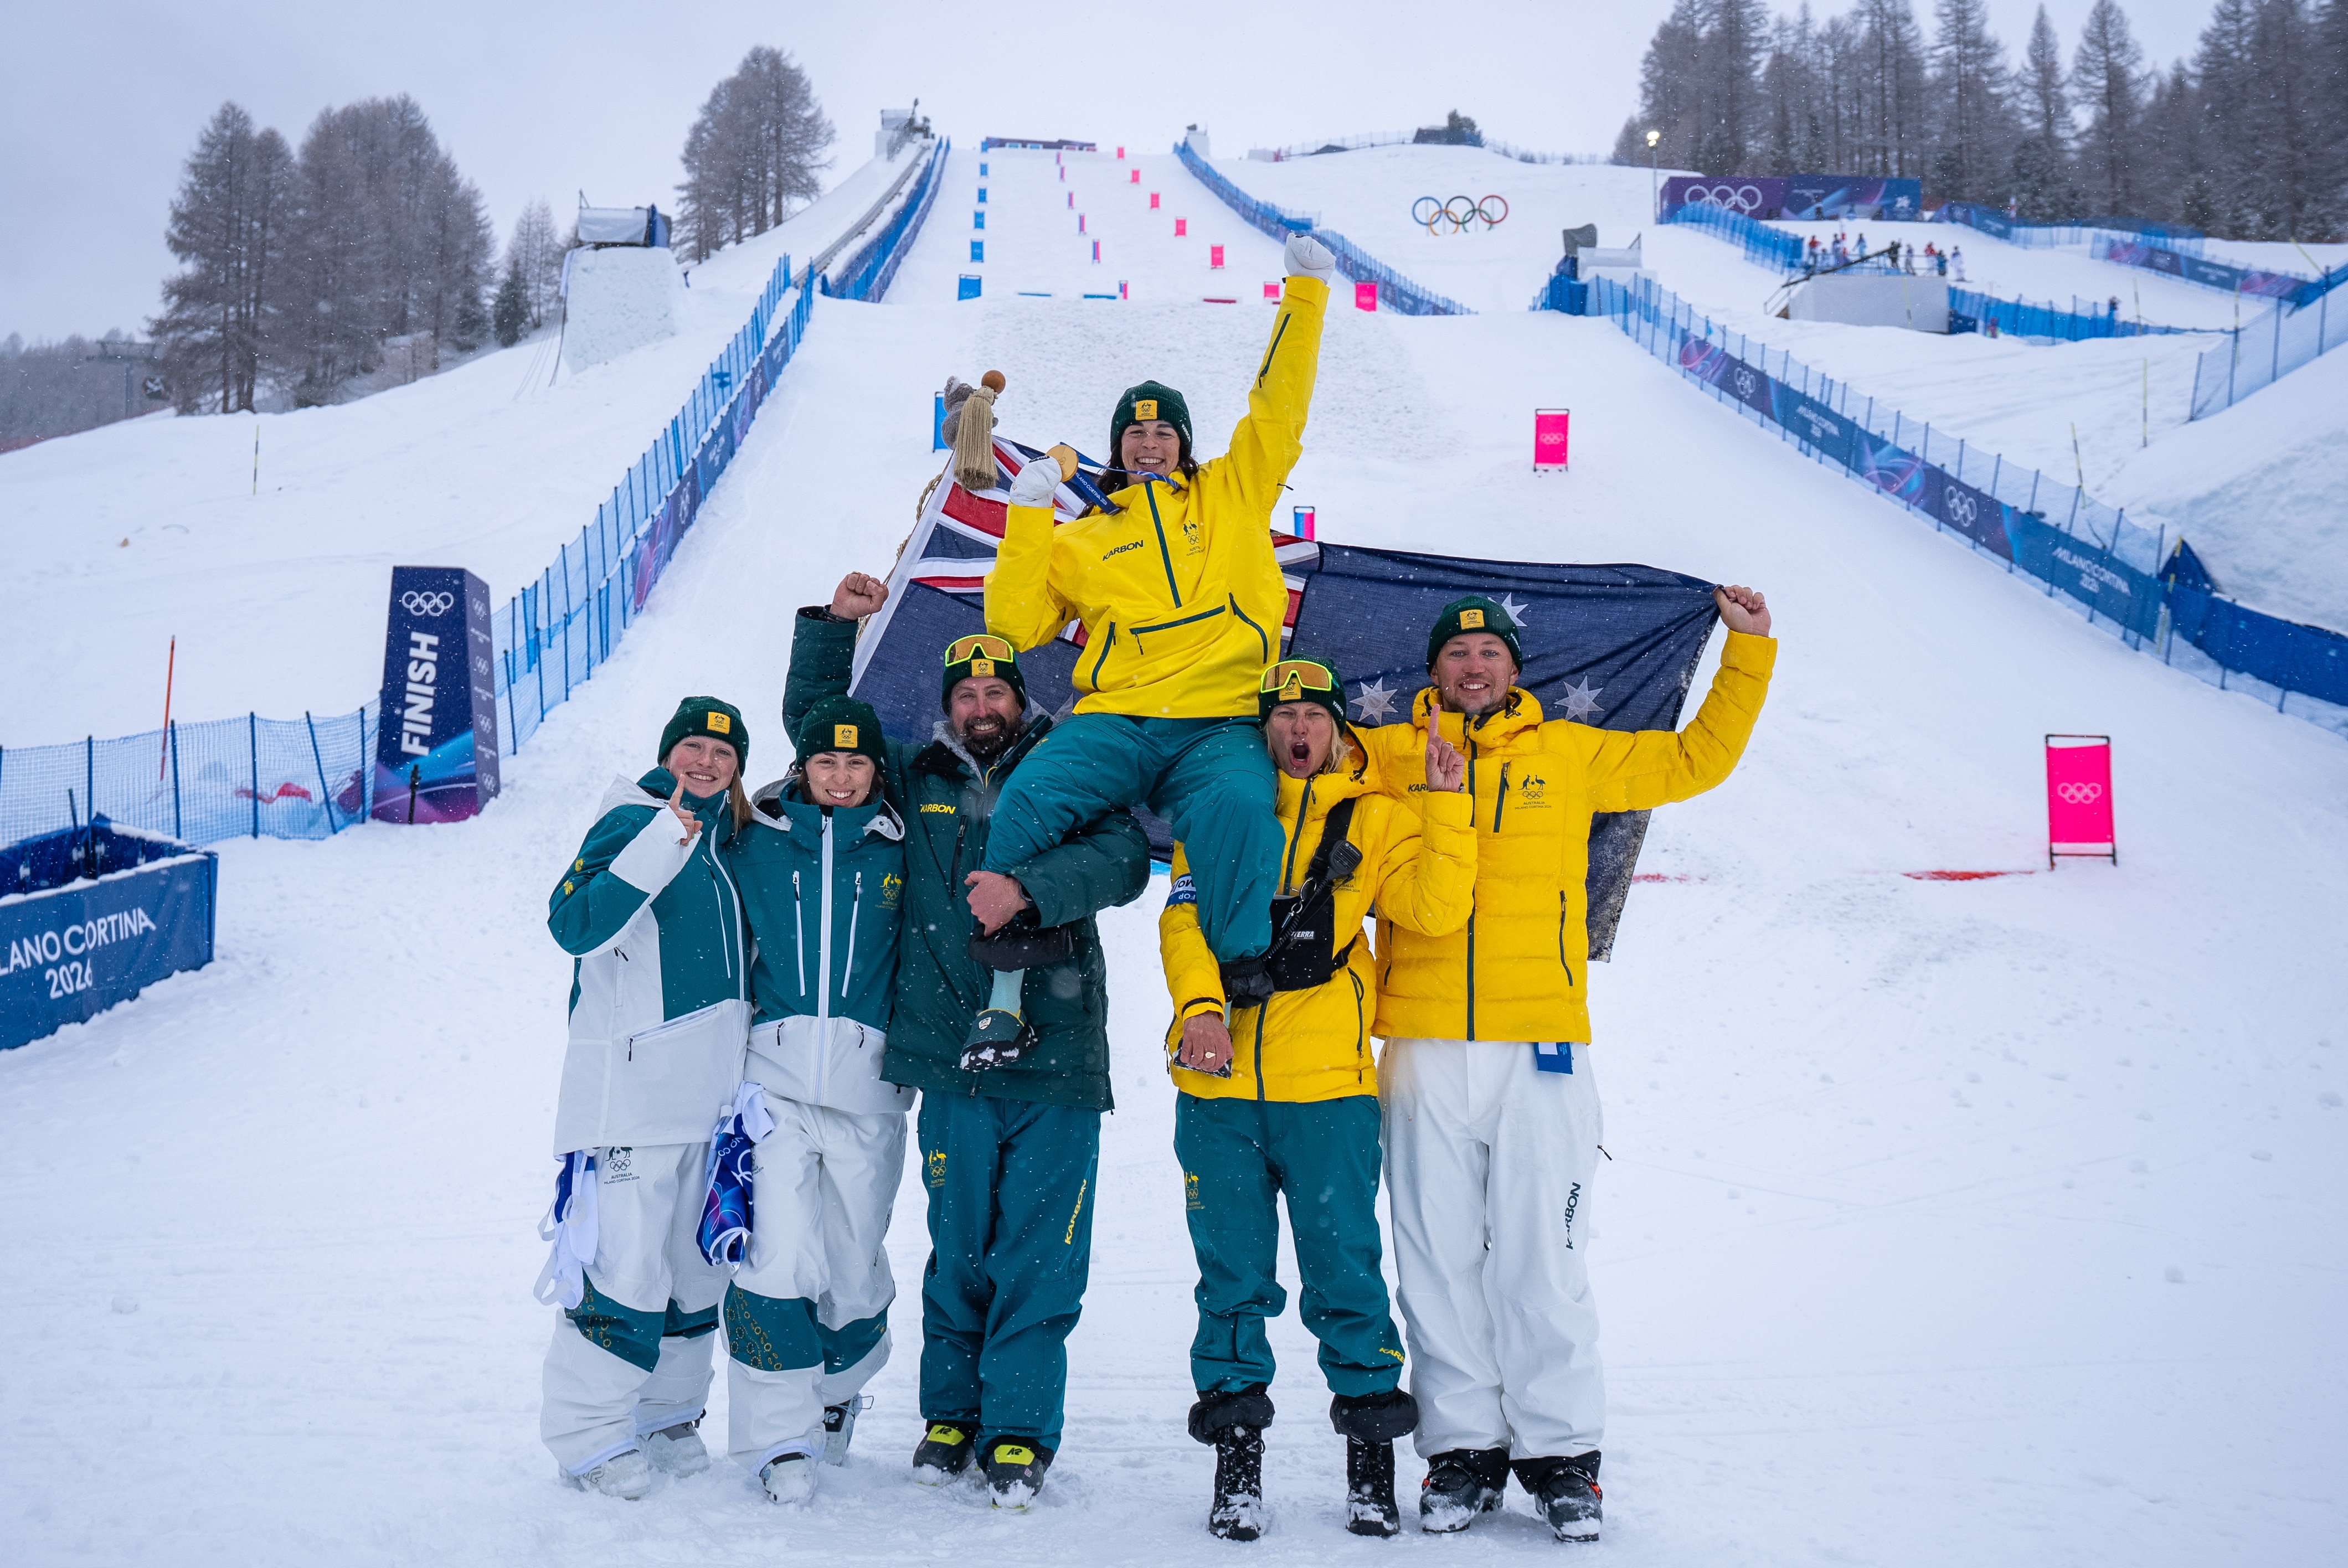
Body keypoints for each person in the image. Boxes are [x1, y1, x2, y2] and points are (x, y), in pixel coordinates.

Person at [1357, 590, 1777, 1543]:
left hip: (1541, 1045)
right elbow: (1282, 758)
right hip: (1419, 1043)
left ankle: (1561, 1458)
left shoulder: (1572, 752)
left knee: (1544, 1259)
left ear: (1515, 668)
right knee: (1435, 1258)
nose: (1473, 666)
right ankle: (1463, 1452)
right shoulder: (1380, 756)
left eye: (1489, 652)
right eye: (1457, 653)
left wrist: (1746, 651)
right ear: (1433, 672)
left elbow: (1696, 759)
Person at [786, 573, 1153, 1510]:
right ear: (947, 706)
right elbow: (820, 731)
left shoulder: (1071, 767)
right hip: (950, 1057)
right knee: (957, 1247)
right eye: (966, 695)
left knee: (1039, 1251)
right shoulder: (914, 777)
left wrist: (1031, 890)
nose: (982, 708)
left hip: (1058, 1057)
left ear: (1019, 701)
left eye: (996, 693)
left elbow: (1121, 861)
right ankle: (949, 1416)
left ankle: (1019, 1431)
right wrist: (834, 629)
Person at [972, 230, 1340, 1048]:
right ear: (1116, 449)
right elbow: (1013, 623)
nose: (1148, 443)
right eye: (1133, 435)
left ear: (1183, 441)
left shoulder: (1234, 492)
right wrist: (1031, 513)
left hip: (1218, 718)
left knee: (1245, 808)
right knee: (1029, 795)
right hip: (1120, 719)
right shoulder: (1085, 537)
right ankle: (1009, 968)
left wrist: (1306, 296)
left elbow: (1278, 409)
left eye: (1162, 432)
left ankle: (1243, 963)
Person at [1160, 657, 1475, 1542]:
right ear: (1263, 729)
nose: (1300, 733)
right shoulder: (1223, 809)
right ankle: (1237, 1466)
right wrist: (1200, 1009)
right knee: (1231, 1277)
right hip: (1216, 1087)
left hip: (1330, 1091)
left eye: (1315, 718)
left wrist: (1447, 809)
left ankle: (1371, 1464)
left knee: (1345, 1272)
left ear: (1339, 731)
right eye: (1284, 717)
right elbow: (1182, 916)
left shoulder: (1378, 818)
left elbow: (1436, 908)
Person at [538, 697, 753, 1499]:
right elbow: (574, 925)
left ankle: (666, 1414)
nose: (705, 762)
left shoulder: (727, 841)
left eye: (723, 753)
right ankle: (589, 1437)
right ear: (667, 754)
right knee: (623, 1272)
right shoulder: (631, 821)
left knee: (694, 1273)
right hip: (630, 1099)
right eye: (692, 747)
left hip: (710, 1104)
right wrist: (664, 833)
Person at [718, 696, 912, 1504]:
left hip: (870, 1091)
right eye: (825, 763)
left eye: (856, 763)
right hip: (777, 1085)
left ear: (875, 772)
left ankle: (836, 1395)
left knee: (853, 1267)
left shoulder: (904, 855)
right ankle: (777, 1438)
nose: (840, 777)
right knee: (776, 1256)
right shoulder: (755, 844)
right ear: (802, 770)